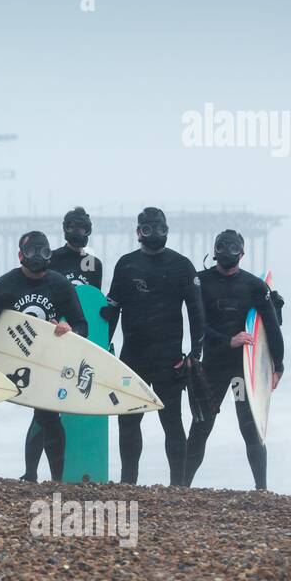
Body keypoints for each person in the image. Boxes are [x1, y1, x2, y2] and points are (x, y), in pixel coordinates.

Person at [0, 232, 86, 484]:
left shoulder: (60, 285)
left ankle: (57, 480)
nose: (37, 258)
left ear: (49, 255)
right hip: (2, 361)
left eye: (43, 253)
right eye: (30, 253)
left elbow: (81, 325)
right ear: (20, 255)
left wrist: (69, 330)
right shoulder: (4, 286)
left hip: (43, 362)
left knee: (50, 419)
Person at [104, 207, 206, 486]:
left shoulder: (181, 265)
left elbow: (198, 314)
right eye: (147, 229)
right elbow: (111, 311)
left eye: (159, 229)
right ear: (139, 232)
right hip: (132, 359)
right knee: (128, 422)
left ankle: (179, 485)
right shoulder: (125, 265)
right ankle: (129, 483)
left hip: (170, 360)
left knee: (172, 422)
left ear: (166, 230)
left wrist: (194, 357)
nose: (153, 235)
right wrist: (103, 351)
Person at [185, 230, 285, 490]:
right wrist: (227, 340)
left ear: (241, 254)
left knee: (249, 426)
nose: (227, 254)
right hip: (214, 365)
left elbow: (272, 328)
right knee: (201, 425)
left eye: (232, 250)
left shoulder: (254, 286)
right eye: (222, 248)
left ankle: (261, 490)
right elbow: (198, 325)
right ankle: (183, 487)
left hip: (244, 369)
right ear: (215, 250)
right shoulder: (201, 281)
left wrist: (278, 365)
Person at [23, 206, 104, 476]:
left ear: (89, 230)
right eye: (73, 228)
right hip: (50, 340)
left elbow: (94, 304)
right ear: (65, 228)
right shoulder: (52, 258)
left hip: (78, 340)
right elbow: (35, 292)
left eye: (82, 228)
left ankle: (62, 471)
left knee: (64, 406)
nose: (77, 233)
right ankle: (31, 472)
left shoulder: (94, 265)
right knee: (42, 408)